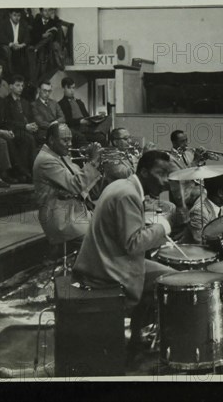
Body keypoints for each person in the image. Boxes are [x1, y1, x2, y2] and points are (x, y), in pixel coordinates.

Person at [72, 150, 176, 360]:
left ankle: (136, 339)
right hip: (106, 269)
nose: (166, 182)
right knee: (175, 282)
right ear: (145, 172)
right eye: (162, 174)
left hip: (104, 258)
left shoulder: (122, 185)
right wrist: (165, 225)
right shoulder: (128, 194)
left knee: (167, 273)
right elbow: (133, 243)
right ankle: (171, 347)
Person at [33, 123, 102, 246]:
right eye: (65, 140)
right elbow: (75, 185)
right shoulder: (46, 160)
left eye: (70, 140)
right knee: (102, 242)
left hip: (75, 212)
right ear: (51, 140)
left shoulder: (59, 155)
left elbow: (79, 185)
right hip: (61, 219)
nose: (70, 144)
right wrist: (92, 163)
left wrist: (95, 165)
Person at [4, 74, 38, 182]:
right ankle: (27, 173)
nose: (20, 88)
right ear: (10, 86)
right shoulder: (6, 102)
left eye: (22, 86)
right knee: (27, 139)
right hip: (14, 130)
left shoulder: (25, 102)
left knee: (33, 137)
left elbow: (31, 117)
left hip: (27, 130)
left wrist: (34, 125)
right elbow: (7, 121)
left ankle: (32, 172)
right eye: (17, 85)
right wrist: (25, 126)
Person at [58, 77, 107, 147]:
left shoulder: (79, 102)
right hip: (75, 129)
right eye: (69, 88)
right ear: (63, 88)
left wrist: (95, 119)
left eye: (73, 88)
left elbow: (87, 116)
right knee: (100, 137)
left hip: (87, 127)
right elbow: (67, 121)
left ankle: (98, 130)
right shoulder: (61, 104)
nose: (72, 91)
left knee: (108, 119)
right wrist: (80, 121)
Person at [0, 9, 36, 80]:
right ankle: (13, 79)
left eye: (19, 15)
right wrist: (11, 44)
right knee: (15, 60)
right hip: (9, 47)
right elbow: (1, 37)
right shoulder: (4, 24)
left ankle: (27, 80)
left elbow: (27, 37)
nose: (17, 18)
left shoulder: (23, 23)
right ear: (10, 15)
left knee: (27, 57)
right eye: (14, 15)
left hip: (21, 48)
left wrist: (22, 44)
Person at [0, 76, 17, 186]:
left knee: (12, 139)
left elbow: (5, 120)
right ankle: (3, 173)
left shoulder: (0, 101)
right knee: (2, 142)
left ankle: (14, 171)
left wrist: (9, 130)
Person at [30, 8, 65, 78]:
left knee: (50, 38)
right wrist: (42, 35)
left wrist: (50, 32)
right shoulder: (36, 21)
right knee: (42, 51)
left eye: (49, 10)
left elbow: (55, 32)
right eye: (45, 11)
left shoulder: (53, 22)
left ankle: (37, 48)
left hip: (49, 44)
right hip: (38, 43)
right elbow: (33, 34)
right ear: (41, 12)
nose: (47, 13)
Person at [30, 81, 65, 145]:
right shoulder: (34, 105)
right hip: (44, 132)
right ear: (39, 90)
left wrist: (56, 122)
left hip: (58, 129)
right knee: (60, 137)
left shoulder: (54, 103)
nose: (47, 93)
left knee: (77, 136)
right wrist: (54, 125)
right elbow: (40, 122)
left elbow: (62, 117)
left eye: (49, 91)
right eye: (44, 91)